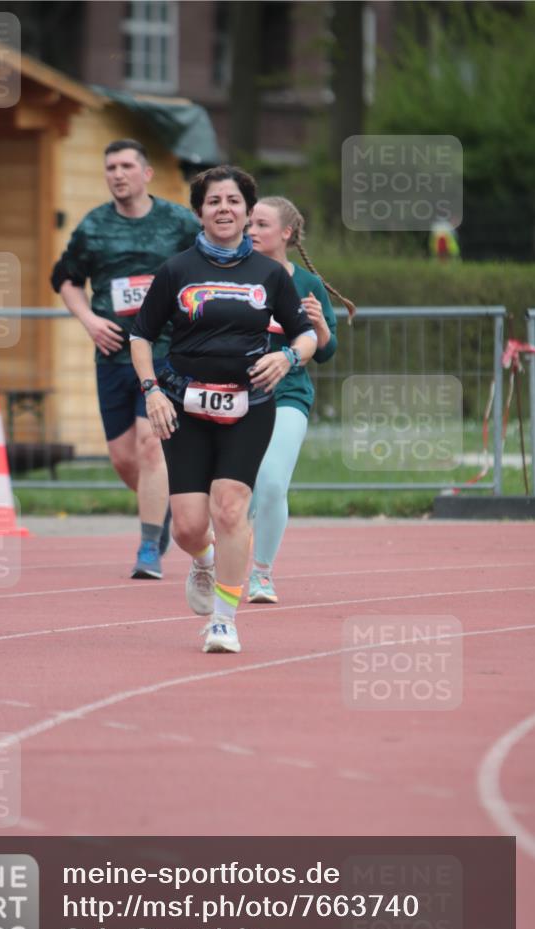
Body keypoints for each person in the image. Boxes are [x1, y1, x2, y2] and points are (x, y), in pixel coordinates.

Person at [130, 166, 319, 653]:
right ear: (200, 211)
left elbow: (305, 333)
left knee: (231, 507)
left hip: (250, 404)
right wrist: (151, 390)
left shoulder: (271, 275)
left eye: (234, 201)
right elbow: (141, 336)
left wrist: (288, 355)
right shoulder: (176, 270)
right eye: (214, 201)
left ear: (247, 211)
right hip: (183, 404)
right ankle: (203, 558)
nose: (225, 209)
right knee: (191, 525)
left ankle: (223, 619)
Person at [50, 139, 200, 580]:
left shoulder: (178, 222)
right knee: (123, 458)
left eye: (126, 166)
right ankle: (169, 507)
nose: (117, 174)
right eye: (110, 167)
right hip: (113, 354)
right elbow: (64, 278)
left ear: (146, 173)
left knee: (150, 444)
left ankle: (148, 546)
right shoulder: (94, 226)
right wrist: (89, 321)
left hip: (167, 354)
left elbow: (211, 264)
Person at [247, 197, 355, 603]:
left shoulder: (307, 285)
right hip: (236, 394)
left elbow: (325, 351)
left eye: (260, 224)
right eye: (249, 225)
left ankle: (261, 574)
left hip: (289, 393)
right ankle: (215, 558)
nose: (251, 231)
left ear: (286, 233)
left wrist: (318, 328)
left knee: (272, 482)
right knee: (236, 490)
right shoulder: (236, 274)